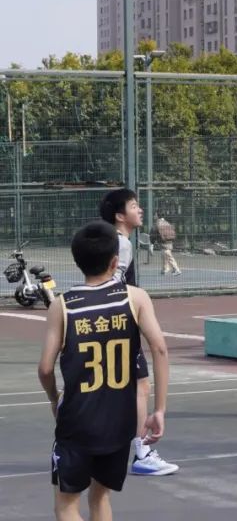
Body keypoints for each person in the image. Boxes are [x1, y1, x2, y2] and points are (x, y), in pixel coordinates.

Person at [39, 221, 170, 521]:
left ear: (76, 261)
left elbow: (45, 368)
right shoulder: (135, 297)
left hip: (78, 420)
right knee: (100, 497)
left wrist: (54, 399)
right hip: (120, 420)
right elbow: (160, 349)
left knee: (66, 504)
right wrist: (159, 409)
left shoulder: (63, 305)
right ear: (115, 261)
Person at [99, 189, 179, 476]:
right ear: (120, 215)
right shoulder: (121, 244)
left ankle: (103, 447)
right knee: (140, 387)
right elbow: (113, 285)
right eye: (134, 206)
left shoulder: (112, 241)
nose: (140, 209)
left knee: (116, 388)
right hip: (120, 323)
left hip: (108, 324)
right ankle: (141, 452)